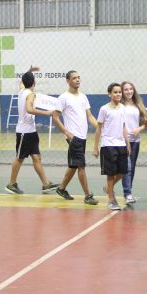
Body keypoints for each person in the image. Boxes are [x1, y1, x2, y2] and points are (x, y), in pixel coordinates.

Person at [5, 68, 59, 194]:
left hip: (31, 131)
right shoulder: (30, 94)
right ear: (34, 83)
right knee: (19, 158)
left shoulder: (22, 90)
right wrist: (47, 113)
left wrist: (29, 71)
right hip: (24, 132)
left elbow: (21, 81)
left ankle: (46, 184)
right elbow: (29, 109)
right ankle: (11, 184)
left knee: (37, 158)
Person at [52, 70, 98, 205]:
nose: (78, 80)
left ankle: (61, 189)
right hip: (73, 138)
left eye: (79, 77)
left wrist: (99, 127)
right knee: (81, 166)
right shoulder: (63, 97)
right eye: (74, 78)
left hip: (82, 137)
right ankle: (88, 195)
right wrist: (66, 132)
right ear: (68, 81)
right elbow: (55, 116)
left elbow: (89, 116)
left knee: (73, 165)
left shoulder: (83, 97)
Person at [93, 83, 130, 210]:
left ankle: (108, 188)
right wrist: (95, 147)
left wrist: (128, 143)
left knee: (122, 172)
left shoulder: (123, 108)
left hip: (121, 145)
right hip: (108, 145)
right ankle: (111, 199)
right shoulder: (104, 109)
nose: (118, 94)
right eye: (115, 92)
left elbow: (124, 127)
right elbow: (98, 129)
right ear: (110, 94)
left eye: (120, 92)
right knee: (110, 173)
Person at [120, 81, 147, 204]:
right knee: (127, 167)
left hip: (135, 141)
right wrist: (125, 136)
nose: (129, 91)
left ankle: (129, 191)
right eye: (126, 89)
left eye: (131, 89)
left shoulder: (138, 105)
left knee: (132, 167)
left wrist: (139, 129)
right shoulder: (119, 105)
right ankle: (127, 193)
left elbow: (145, 122)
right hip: (122, 141)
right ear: (122, 91)